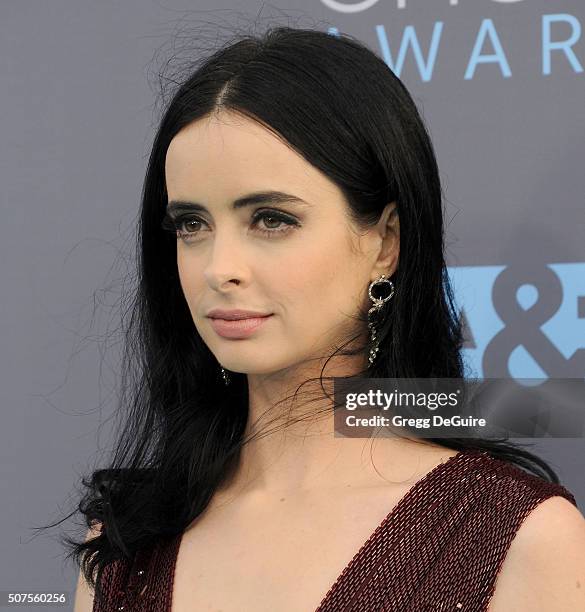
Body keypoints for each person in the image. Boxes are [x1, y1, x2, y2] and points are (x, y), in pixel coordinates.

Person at [69, 25, 585, 611]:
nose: (218, 268)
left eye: (271, 219)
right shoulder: (123, 545)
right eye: (191, 224)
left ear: (385, 242)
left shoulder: (515, 538)